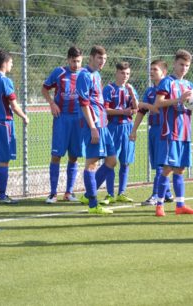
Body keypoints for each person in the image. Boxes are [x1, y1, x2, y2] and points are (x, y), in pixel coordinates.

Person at [153, 49, 193, 217]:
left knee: (180, 169)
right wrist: (179, 100)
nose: (184, 68)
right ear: (175, 63)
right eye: (181, 64)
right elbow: (158, 103)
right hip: (170, 132)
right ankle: (159, 205)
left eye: (187, 65)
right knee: (167, 168)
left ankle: (180, 205)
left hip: (185, 133)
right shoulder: (167, 82)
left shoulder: (190, 86)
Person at [0, 50, 29, 204]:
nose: (12, 64)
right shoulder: (5, 81)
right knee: (5, 159)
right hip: (3, 122)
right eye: (11, 62)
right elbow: (13, 106)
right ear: (4, 63)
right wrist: (24, 116)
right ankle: (2, 195)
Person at [76, 45, 116, 214]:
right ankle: (93, 204)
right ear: (91, 58)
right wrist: (93, 127)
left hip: (103, 124)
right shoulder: (84, 76)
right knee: (91, 164)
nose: (102, 62)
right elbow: (84, 104)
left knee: (112, 160)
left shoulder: (97, 75)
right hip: (93, 125)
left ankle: (88, 194)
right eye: (100, 58)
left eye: (105, 59)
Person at [42, 46, 85, 204]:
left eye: (79, 61)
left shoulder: (85, 74)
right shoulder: (59, 72)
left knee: (74, 156)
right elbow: (45, 88)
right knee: (56, 155)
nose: (76, 64)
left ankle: (69, 192)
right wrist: (52, 103)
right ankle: (53, 194)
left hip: (79, 119)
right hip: (62, 118)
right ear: (68, 60)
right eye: (73, 61)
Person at [129, 59, 174, 205]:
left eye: (155, 69)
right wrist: (134, 130)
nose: (152, 72)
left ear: (164, 72)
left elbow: (156, 108)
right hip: (153, 130)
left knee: (162, 164)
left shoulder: (167, 87)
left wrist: (144, 104)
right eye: (151, 69)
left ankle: (156, 195)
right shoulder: (149, 91)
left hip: (164, 129)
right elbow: (141, 112)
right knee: (156, 163)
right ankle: (166, 193)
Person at [101, 62, 138, 205]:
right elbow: (105, 109)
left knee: (126, 161)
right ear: (116, 73)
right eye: (122, 73)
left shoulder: (130, 89)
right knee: (111, 161)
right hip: (113, 128)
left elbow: (136, 107)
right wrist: (123, 111)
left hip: (127, 128)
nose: (125, 76)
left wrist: (132, 96)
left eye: (128, 74)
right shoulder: (109, 89)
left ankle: (121, 192)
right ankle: (110, 194)